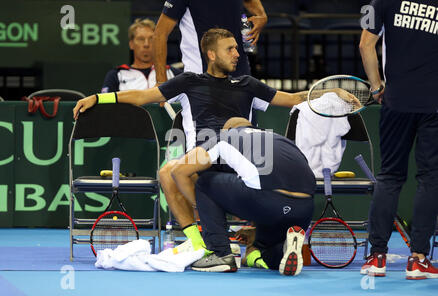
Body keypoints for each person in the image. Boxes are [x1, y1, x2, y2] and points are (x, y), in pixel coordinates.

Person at [73, 28, 356, 256]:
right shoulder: (188, 81)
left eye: (236, 48)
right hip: (201, 160)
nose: (236, 54)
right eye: (229, 49)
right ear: (211, 54)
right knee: (167, 172)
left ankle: (225, 238)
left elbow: (294, 98)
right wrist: (98, 98)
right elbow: (141, 97)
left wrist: (334, 93)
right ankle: (200, 242)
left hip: (240, 164)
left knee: (178, 172)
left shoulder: (248, 84)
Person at [170, 117, 316, 274]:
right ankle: (282, 251)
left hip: (267, 201)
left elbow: (178, 171)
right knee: (265, 248)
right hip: (304, 210)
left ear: (227, 130)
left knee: (204, 183)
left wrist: (201, 206)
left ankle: (221, 254)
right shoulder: (282, 140)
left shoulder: (223, 137)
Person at [359, 0, 438, 279]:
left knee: (390, 176)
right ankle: (418, 260)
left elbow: (365, 45)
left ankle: (376, 257)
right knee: (430, 178)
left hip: (397, 102)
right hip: (433, 105)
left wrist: (376, 85)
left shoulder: (381, 1)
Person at [152, 0, 268, 84]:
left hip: (240, 75)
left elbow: (250, 2)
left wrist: (262, 15)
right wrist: (161, 81)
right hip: (199, 78)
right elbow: (159, 35)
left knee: (242, 118)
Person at [101, 18, 181, 93]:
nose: (146, 44)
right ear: (131, 44)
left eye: (151, 39)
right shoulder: (117, 75)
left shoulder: (172, 73)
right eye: (141, 39)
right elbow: (106, 106)